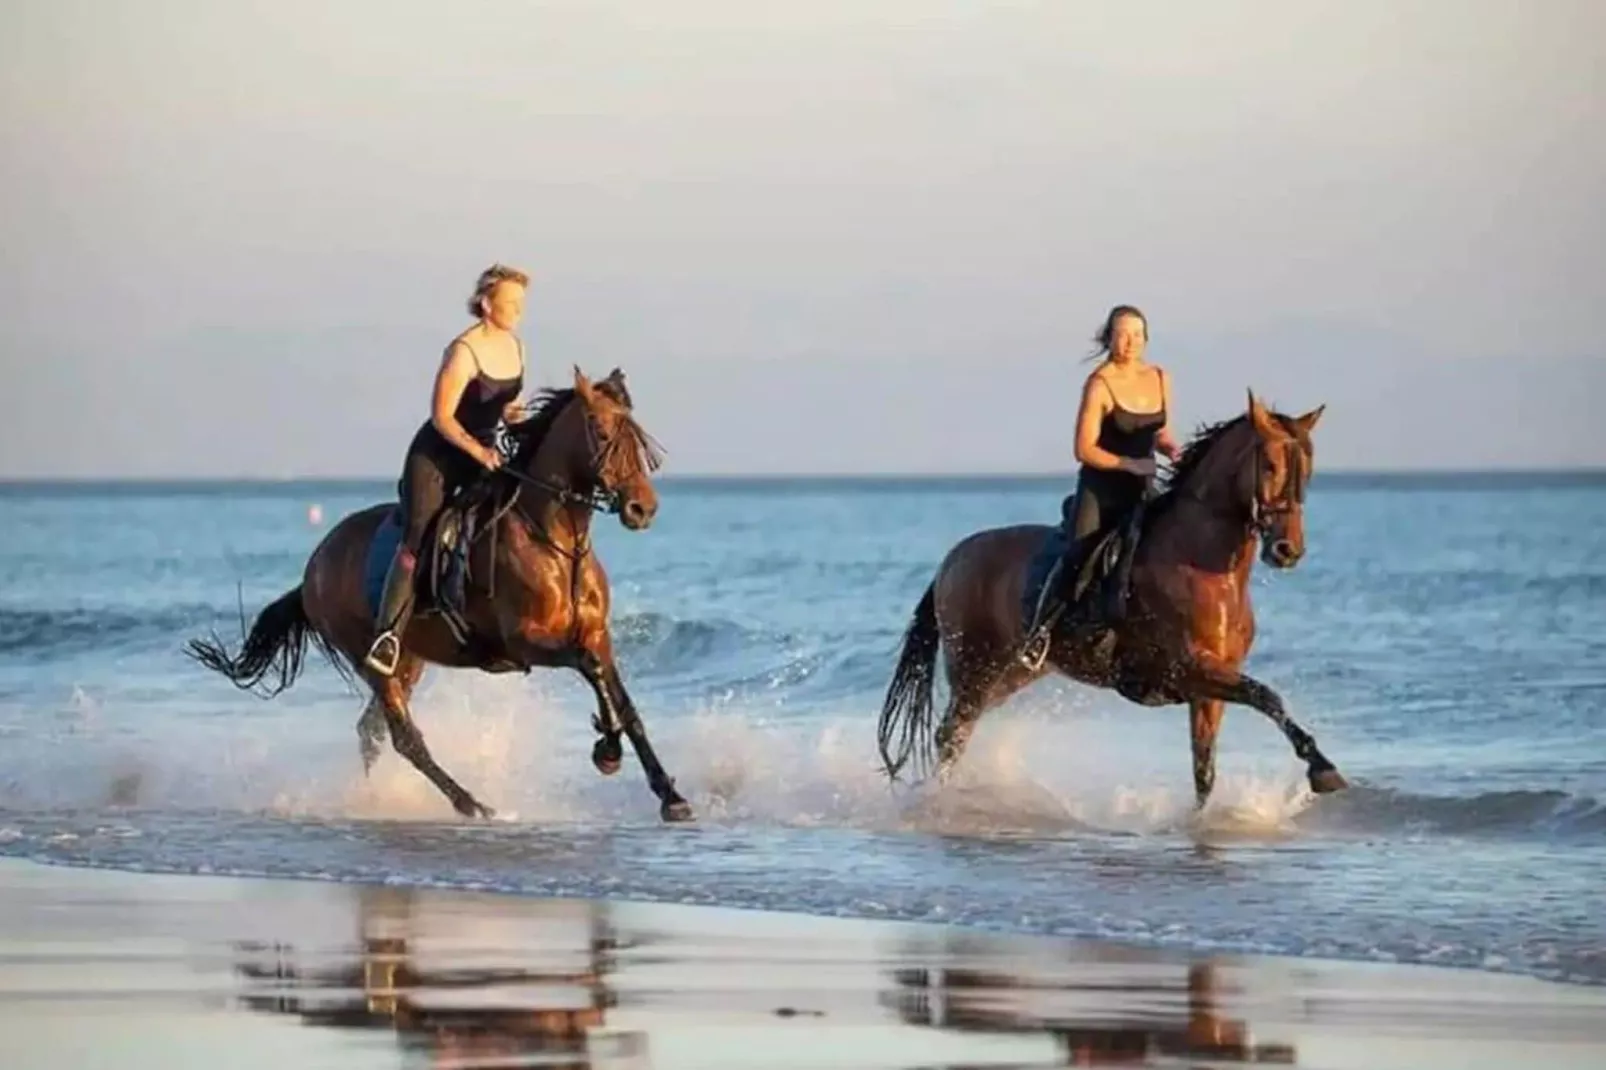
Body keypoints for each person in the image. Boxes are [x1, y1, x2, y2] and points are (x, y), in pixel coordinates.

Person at [364, 263, 531, 677]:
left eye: (521, 304)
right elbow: (442, 416)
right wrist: (479, 450)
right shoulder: (464, 350)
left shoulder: (516, 347)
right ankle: (388, 637)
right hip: (438, 456)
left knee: (504, 518)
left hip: (484, 451)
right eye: (510, 303)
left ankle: (488, 619)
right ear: (487, 303)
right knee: (419, 536)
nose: (517, 311)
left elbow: (502, 406)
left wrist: (518, 419)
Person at [1020, 304, 1181, 664]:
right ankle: (1041, 633)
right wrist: (1129, 463)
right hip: (1101, 490)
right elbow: (1084, 449)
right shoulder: (1100, 383)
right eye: (1122, 334)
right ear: (1109, 337)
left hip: (1141, 487)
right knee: (1078, 554)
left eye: (1137, 335)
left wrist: (1172, 449)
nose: (1130, 342)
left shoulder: (1159, 377)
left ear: (1146, 338)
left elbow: (1159, 432)